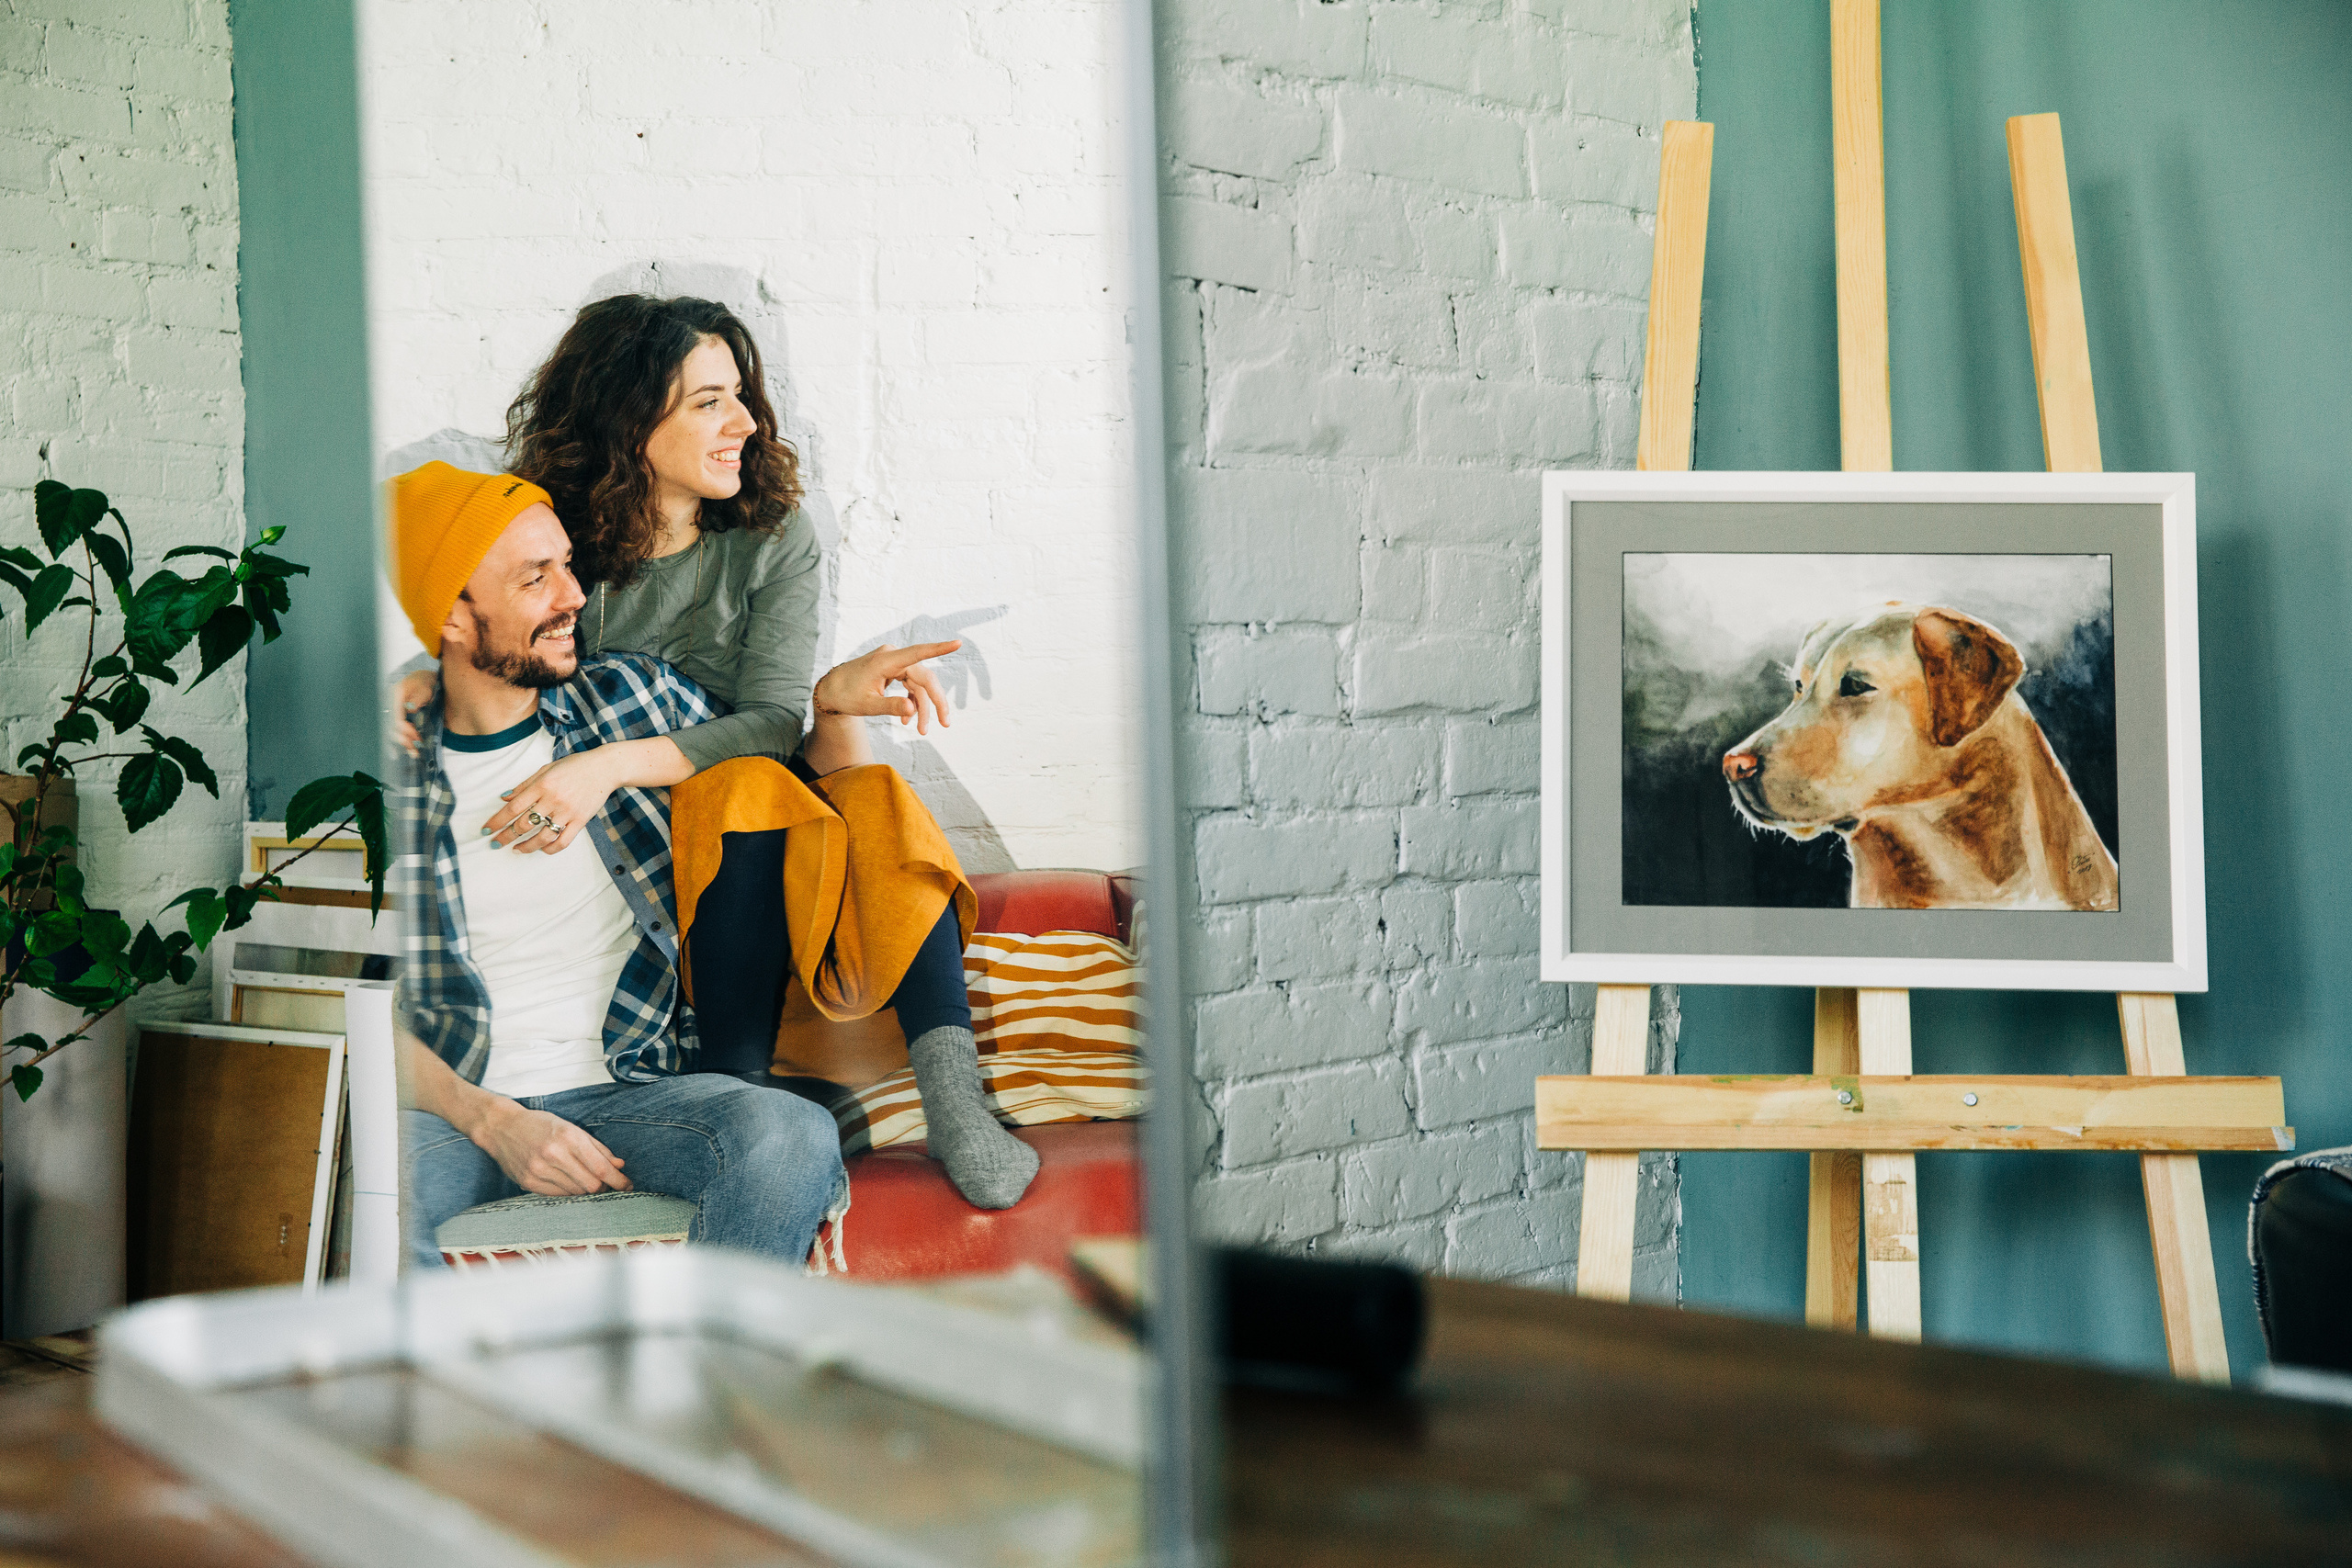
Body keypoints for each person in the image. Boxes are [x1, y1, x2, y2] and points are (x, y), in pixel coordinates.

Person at [392, 295, 1040, 1213]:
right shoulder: (558, 542)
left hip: (749, 814)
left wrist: (618, 762)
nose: (744, 421)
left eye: (739, 394)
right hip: (644, 828)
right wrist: (416, 679)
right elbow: (485, 615)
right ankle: (734, 1081)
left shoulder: (773, 536)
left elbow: (771, 726)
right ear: (631, 417)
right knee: (769, 776)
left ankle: (950, 1091)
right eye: (708, 401)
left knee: (851, 780)